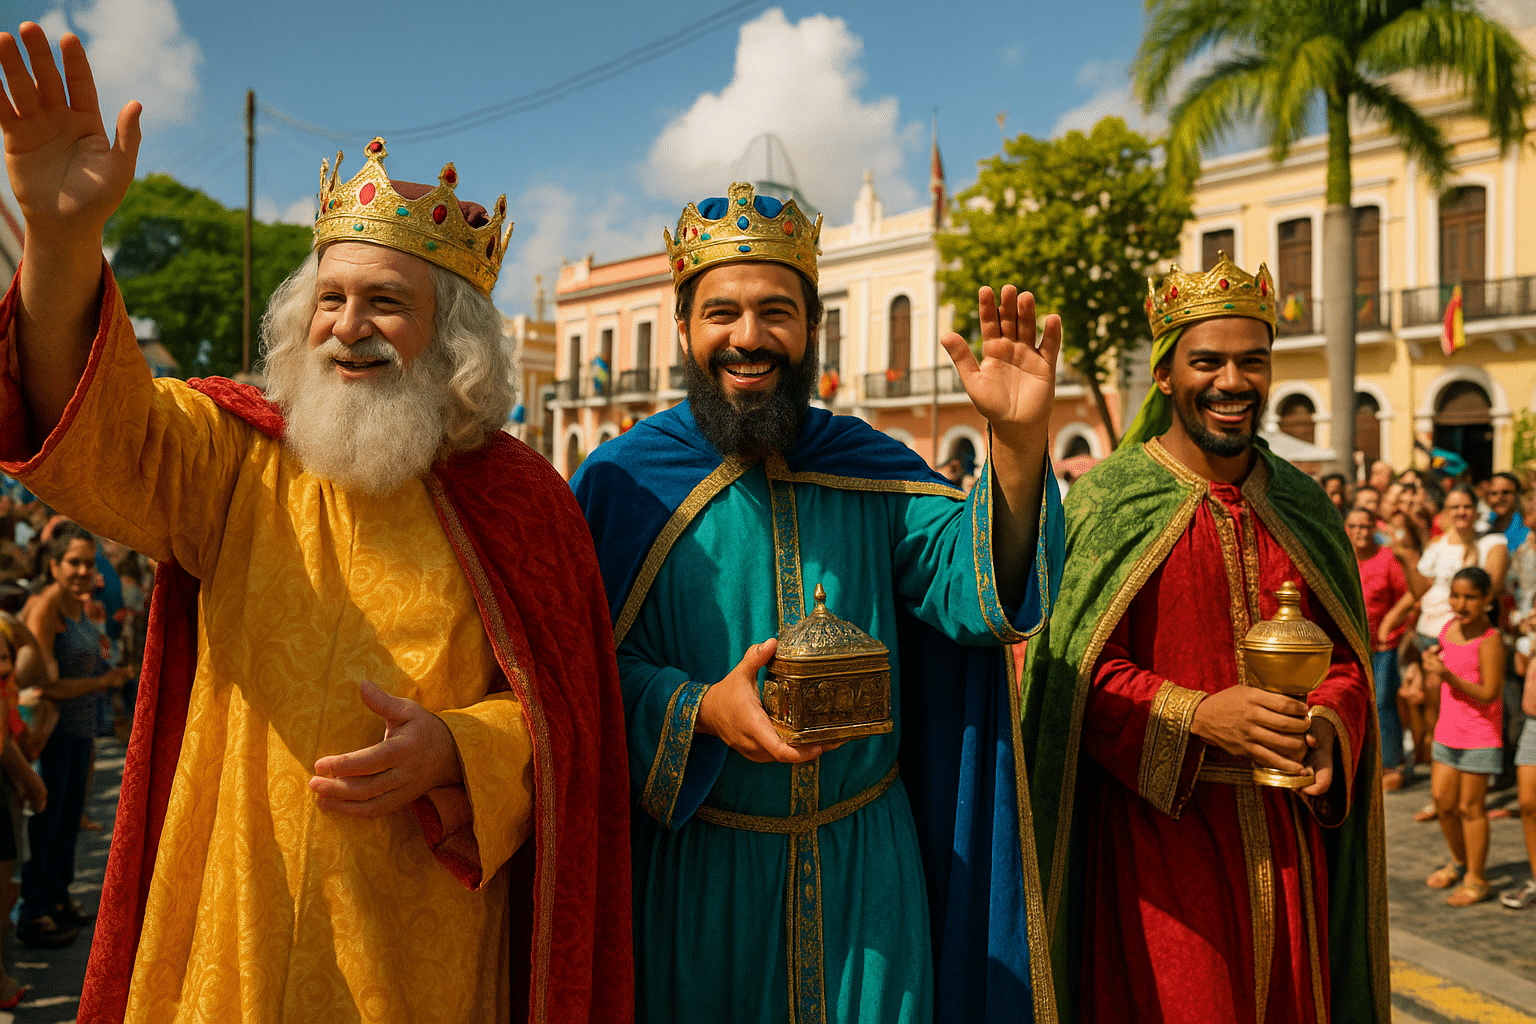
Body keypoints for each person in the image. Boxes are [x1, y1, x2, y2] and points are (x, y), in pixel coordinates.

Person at [0, 23, 630, 1024]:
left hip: (415, 958)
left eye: (387, 301)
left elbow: (571, 728)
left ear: (453, 339)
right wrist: (63, 236)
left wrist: (461, 749)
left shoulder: (526, 503)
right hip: (231, 935)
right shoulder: (235, 458)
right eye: (329, 298)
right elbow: (99, 437)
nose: (348, 325)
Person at [573, 181, 1064, 1024]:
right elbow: (569, 684)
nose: (749, 337)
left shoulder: (870, 464)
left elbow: (976, 594)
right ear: (685, 329)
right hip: (701, 882)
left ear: (812, 329)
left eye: (777, 311)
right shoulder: (621, 486)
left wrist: (1015, 445)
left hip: (866, 881)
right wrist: (697, 711)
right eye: (721, 313)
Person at [1023, 252, 1388, 1022]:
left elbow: (1348, 664)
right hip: (1160, 854)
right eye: (1208, 362)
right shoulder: (1107, 503)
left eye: (1251, 363)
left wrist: (1327, 721)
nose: (1232, 382)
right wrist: (1195, 714)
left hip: (1290, 853)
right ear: (1165, 375)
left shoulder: (1304, 505)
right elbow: (1067, 680)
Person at [16, 524, 124, 949]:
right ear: (54, 565)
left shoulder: (81, 605)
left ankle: (58, 898)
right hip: (52, 735)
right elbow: (47, 685)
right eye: (73, 563)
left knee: (67, 822)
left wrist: (102, 650)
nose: (83, 571)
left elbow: (94, 659)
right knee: (48, 826)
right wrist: (103, 683)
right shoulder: (45, 607)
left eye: (89, 563)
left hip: (80, 732)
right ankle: (34, 912)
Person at [1400, 486, 1507, 820]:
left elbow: (1489, 586)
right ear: (1444, 512)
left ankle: (1472, 787)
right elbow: (1420, 591)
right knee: (1437, 711)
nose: (1460, 512)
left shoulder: (1491, 542)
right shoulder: (1436, 545)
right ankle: (1443, 789)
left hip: (1468, 637)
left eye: (1466, 506)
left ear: (1476, 510)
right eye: (1453, 507)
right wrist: (1406, 558)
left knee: (1469, 704)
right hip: (1434, 632)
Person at [1422, 567, 1504, 907]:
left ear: (1487, 600)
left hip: (1480, 735)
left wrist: (1447, 676)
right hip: (1447, 731)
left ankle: (1477, 878)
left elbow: (1489, 693)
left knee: (1471, 808)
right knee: (1443, 803)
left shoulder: (1490, 639)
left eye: (1470, 596)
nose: (1461, 602)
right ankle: (1458, 860)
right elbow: (1439, 676)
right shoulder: (1446, 630)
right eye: (1456, 595)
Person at [1349, 506, 1414, 790]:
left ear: (1375, 529)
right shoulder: (1342, 557)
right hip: (1351, 644)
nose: (1361, 532)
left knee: (1383, 702)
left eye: (1366, 526)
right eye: (1354, 526)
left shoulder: (1387, 558)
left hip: (1383, 644)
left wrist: (1390, 620)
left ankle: (1392, 764)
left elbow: (1410, 593)